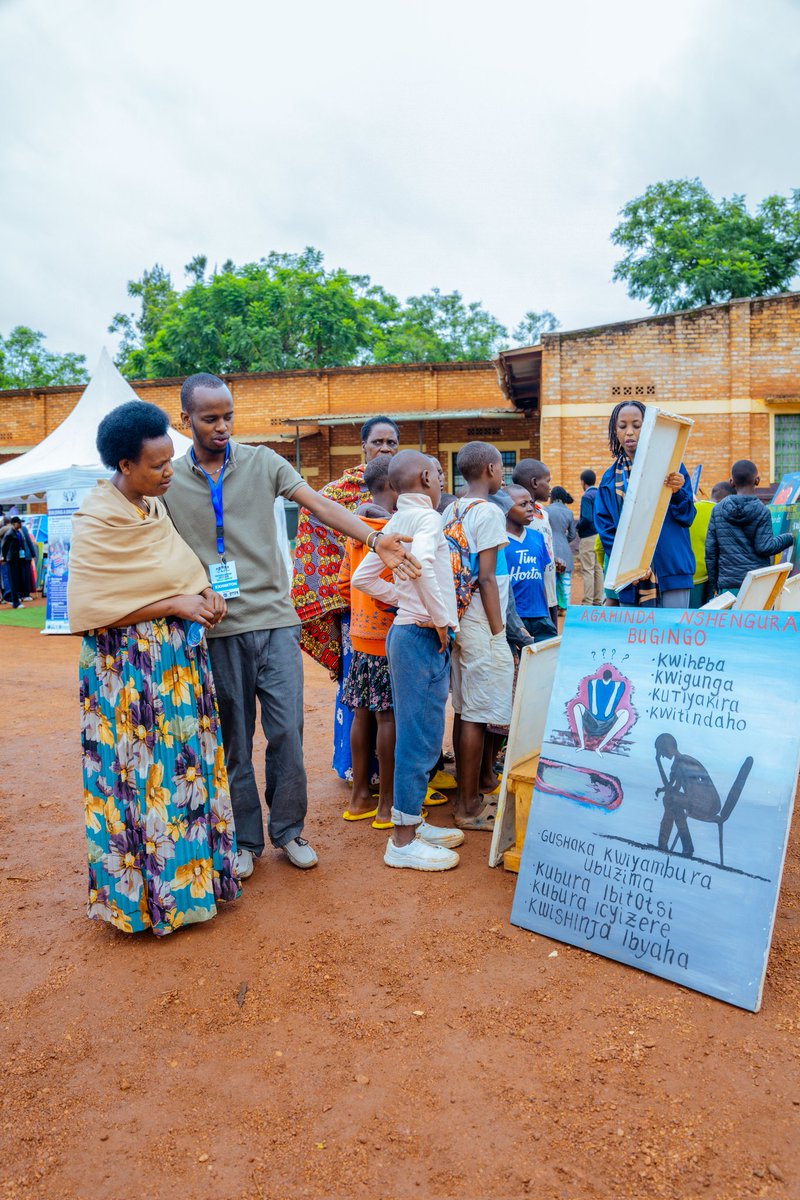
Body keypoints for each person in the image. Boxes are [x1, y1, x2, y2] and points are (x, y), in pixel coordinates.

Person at [164, 375, 416, 881]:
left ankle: (289, 831)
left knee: (287, 733)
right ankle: (245, 840)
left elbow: (320, 505)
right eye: (210, 418)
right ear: (185, 418)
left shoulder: (263, 462)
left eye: (228, 416)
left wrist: (374, 538)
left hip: (277, 622)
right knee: (236, 741)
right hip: (218, 629)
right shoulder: (168, 480)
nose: (222, 426)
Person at [67, 401, 239, 936]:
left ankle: (193, 887)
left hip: (174, 668)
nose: (169, 472)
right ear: (125, 465)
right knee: (138, 777)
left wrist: (204, 594)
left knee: (183, 770)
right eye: (157, 465)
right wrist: (173, 604)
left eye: (170, 462)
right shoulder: (96, 519)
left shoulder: (153, 509)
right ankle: (145, 902)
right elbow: (90, 611)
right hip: (126, 672)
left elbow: (177, 571)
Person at [352, 450, 463, 871]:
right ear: (426, 478)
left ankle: (410, 821)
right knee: (421, 738)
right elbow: (426, 568)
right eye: (438, 473)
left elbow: (363, 578)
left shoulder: (396, 522)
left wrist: (402, 601)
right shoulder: (429, 519)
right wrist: (440, 620)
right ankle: (401, 841)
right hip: (421, 636)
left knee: (417, 734)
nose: (440, 480)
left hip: (405, 633)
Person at [292, 415, 401, 783]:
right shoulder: (337, 493)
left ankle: (390, 769)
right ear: (363, 446)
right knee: (359, 694)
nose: (384, 449)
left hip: (399, 610)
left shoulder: (405, 488)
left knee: (392, 696)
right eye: (378, 442)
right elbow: (312, 524)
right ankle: (356, 769)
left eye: (391, 443)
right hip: (355, 610)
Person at [443, 442, 515, 832]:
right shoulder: (487, 512)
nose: (502, 474)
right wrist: (498, 631)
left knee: (465, 706)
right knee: (476, 711)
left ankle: (468, 791)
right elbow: (486, 578)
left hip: (458, 619)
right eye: (501, 468)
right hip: (480, 620)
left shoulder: (452, 509)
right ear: (490, 468)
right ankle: (468, 806)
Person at [337, 455, 398, 828]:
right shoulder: (395, 532)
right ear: (394, 485)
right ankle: (387, 806)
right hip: (389, 638)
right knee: (388, 718)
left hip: (360, 637)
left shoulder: (356, 530)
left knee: (362, 714)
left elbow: (344, 583)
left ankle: (359, 798)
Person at [595, 400, 696, 608]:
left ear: (650, 426)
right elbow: (606, 530)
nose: (629, 432)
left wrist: (678, 493)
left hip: (671, 569)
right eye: (622, 426)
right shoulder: (609, 480)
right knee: (633, 629)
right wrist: (630, 566)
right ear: (615, 431)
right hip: (630, 579)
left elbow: (687, 516)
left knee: (672, 629)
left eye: (637, 425)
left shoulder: (672, 467)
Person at [705, 461, 793, 597]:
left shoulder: (717, 510)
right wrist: (789, 538)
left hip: (728, 586)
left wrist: (715, 585)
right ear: (757, 480)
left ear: (731, 482)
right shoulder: (762, 510)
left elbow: (711, 552)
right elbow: (765, 547)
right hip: (756, 584)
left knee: (731, 613)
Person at [512, 459, 562, 627]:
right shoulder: (522, 519)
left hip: (550, 588)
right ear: (534, 483)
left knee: (551, 634)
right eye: (547, 481)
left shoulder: (543, 513)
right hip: (533, 595)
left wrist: (553, 560)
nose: (550, 487)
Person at [504, 484, 557, 642]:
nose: (530, 508)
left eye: (531, 503)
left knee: (547, 653)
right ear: (505, 509)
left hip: (540, 615)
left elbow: (541, 578)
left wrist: (547, 613)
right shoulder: (499, 541)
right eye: (523, 504)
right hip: (515, 618)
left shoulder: (537, 537)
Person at [655, 733, 720, 858]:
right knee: (670, 799)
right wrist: (664, 789)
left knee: (670, 799)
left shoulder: (683, 762)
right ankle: (684, 846)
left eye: (661, 751)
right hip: (701, 802)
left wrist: (658, 762)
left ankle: (666, 843)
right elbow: (672, 788)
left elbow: (671, 788)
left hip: (707, 804)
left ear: (668, 748)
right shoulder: (680, 762)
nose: (662, 755)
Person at [688, 482, 735, 607]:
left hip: (688, 574)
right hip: (709, 577)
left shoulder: (691, 509)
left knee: (690, 615)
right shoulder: (722, 514)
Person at [548, 486, 579, 611]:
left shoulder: (546, 510)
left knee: (551, 579)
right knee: (565, 580)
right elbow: (572, 534)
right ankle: (565, 607)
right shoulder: (569, 512)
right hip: (565, 549)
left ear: (552, 497)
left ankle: (554, 607)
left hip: (549, 548)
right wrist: (563, 540)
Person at [576, 469, 603, 606]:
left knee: (588, 569)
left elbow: (586, 518)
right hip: (600, 536)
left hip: (588, 537)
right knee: (598, 569)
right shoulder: (600, 494)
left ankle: (587, 602)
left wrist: (577, 527)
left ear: (583, 482)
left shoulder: (587, 496)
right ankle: (598, 600)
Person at [1, 517, 32, 609]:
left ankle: (16, 600)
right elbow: (4, 546)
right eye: (19, 523)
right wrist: (4, 558)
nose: (20, 524)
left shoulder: (18, 532)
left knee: (17, 581)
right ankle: (15, 602)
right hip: (11, 560)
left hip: (18, 560)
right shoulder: (9, 533)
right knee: (13, 581)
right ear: (14, 524)